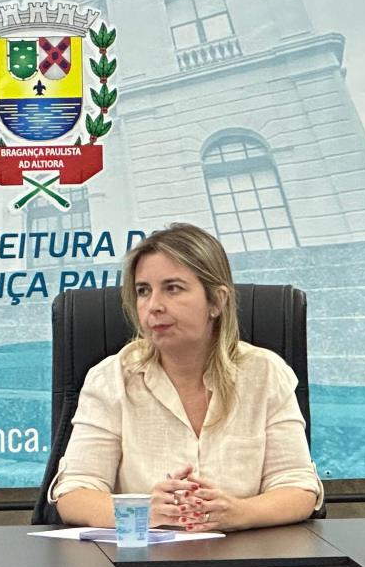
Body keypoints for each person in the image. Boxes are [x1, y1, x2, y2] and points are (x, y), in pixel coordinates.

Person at [49, 222, 322, 531]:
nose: (153, 306)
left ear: (217, 301)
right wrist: (142, 512)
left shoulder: (264, 373)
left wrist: (239, 512)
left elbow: (299, 487)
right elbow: (74, 493)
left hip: (244, 563)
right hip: (141, 566)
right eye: (143, 291)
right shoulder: (110, 378)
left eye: (173, 288)